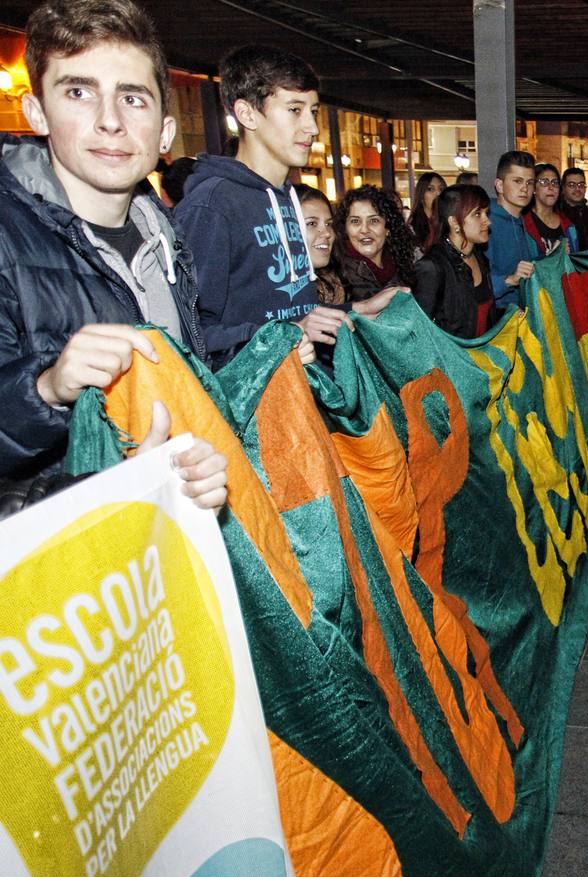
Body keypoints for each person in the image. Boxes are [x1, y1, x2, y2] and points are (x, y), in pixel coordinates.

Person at [0, 0, 226, 509]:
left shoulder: (166, 240)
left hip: (160, 553)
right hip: (63, 573)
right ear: (37, 111)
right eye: (79, 92)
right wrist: (46, 389)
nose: (110, 122)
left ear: (164, 131)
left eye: (133, 99)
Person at [176, 45, 339, 368]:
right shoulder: (211, 207)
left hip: (300, 397)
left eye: (314, 111)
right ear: (247, 113)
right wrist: (280, 341)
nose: (313, 127)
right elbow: (191, 337)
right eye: (294, 110)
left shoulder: (289, 198)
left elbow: (291, 313)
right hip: (249, 410)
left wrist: (356, 312)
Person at [414, 184, 499, 339]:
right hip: (450, 360)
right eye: (478, 214)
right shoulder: (432, 267)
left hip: (482, 357)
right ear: (453, 222)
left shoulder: (480, 259)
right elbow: (419, 331)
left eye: (486, 213)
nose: (488, 221)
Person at [335, 186, 417, 303]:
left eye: (374, 221)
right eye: (355, 221)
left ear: (388, 228)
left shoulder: (402, 266)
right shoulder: (337, 275)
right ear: (345, 229)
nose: (364, 229)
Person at [486, 149, 540, 310]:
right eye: (517, 181)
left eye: (530, 182)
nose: (525, 188)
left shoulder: (521, 220)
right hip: (497, 320)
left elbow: (525, 266)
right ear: (500, 185)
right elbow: (472, 285)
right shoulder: (486, 222)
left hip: (520, 316)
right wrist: (509, 280)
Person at [296, 185, 345, 306]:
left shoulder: (334, 281)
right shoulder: (276, 293)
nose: (327, 233)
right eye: (312, 223)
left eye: (328, 224)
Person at [524, 162, 579, 255]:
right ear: (533, 188)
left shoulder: (569, 227)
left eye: (555, 182)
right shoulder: (523, 225)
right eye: (544, 182)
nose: (551, 187)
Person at [559, 167, 588, 251]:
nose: (577, 189)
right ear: (563, 188)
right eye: (571, 185)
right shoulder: (557, 214)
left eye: (581, 185)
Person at [409, 171, 446, 252]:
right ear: (421, 195)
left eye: (441, 189)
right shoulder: (411, 230)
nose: (438, 193)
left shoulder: (449, 224)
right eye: (430, 189)